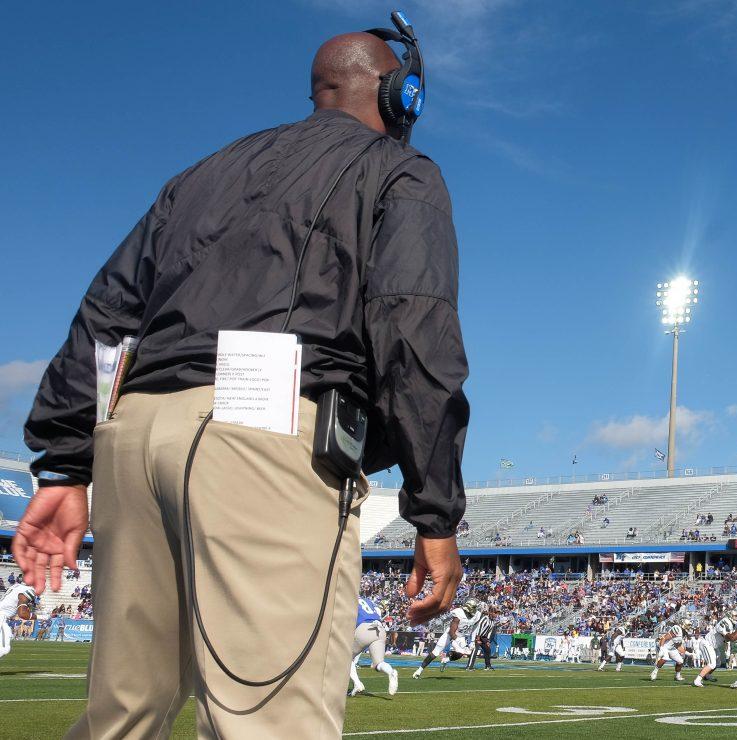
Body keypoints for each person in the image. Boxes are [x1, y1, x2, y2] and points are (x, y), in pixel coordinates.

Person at [14, 23, 469, 739]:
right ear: (399, 92)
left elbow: (106, 315)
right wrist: (435, 511)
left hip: (132, 436)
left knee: (121, 719)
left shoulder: (201, 173)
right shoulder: (400, 171)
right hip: (262, 428)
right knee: (269, 719)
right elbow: (415, 334)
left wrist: (66, 464)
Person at [414, 599, 483, 678]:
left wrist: (472, 641)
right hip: (449, 635)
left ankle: (446, 659)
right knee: (435, 653)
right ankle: (418, 671)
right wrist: (460, 643)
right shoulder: (459, 613)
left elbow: (475, 628)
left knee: (461, 653)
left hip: (461, 636)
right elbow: (451, 632)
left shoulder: (477, 615)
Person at [348, 597, 398, 696]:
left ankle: (357, 684)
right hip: (379, 629)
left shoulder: (350, 599)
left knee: (346, 658)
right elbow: (378, 611)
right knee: (378, 664)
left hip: (364, 628)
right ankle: (391, 672)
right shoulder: (367, 600)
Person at [0, 584, 37, 661]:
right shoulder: (29, 590)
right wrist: (38, 617)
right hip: (1, 617)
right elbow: (22, 614)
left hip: (3, 616)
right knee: (4, 649)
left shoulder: (17, 585)